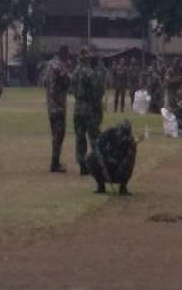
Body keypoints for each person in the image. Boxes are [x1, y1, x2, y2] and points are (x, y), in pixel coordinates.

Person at [86, 120, 140, 195]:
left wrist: (133, 147)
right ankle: (101, 186)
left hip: (119, 170)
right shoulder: (110, 133)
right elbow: (98, 145)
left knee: (129, 159)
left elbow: (130, 161)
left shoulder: (130, 141)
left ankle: (123, 188)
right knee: (91, 157)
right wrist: (102, 162)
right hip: (106, 167)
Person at [72, 47, 101, 176]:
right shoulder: (89, 72)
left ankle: (82, 164)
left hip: (78, 109)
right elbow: (96, 91)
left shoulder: (75, 72)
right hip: (89, 109)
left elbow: (73, 90)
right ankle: (96, 163)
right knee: (94, 137)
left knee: (80, 137)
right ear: (86, 59)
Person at [45, 45, 72, 173]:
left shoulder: (49, 65)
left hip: (50, 105)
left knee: (55, 134)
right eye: (67, 55)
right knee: (58, 135)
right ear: (64, 54)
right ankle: (54, 164)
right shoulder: (59, 66)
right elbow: (67, 81)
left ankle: (55, 163)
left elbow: (45, 83)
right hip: (59, 106)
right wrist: (69, 69)